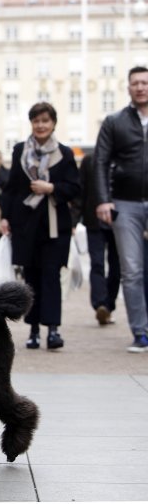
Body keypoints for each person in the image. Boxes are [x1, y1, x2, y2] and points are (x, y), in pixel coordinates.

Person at [0, 102, 80, 350]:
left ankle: (53, 330)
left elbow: (75, 188)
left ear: (53, 123)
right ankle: (33, 331)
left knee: (52, 277)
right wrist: (5, 217)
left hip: (55, 226)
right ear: (31, 123)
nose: (41, 125)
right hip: (25, 224)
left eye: (45, 120)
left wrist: (51, 188)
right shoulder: (20, 150)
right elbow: (12, 188)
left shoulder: (64, 153)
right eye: (36, 121)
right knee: (31, 278)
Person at [93, 65, 148, 353]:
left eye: (144, 82)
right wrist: (103, 199)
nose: (140, 87)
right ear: (128, 88)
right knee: (132, 270)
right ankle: (141, 331)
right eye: (135, 83)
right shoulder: (115, 122)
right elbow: (100, 161)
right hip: (125, 205)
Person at [76, 154, 119, 326]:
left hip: (120, 220)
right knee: (97, 263)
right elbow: (82, 190)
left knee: (117, 267)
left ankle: (108, 305)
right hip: (94, 220)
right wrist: (74, 220)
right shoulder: (89, 160)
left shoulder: (125, 157)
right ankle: (101, 304)